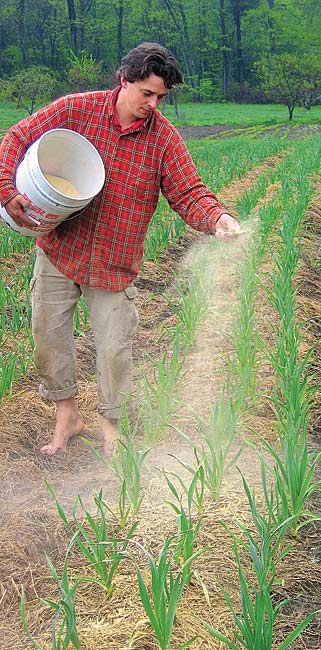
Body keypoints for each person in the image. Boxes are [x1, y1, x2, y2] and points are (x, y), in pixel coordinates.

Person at [0, 42, 239, 457]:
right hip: (60, 248)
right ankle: (67, 418)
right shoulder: (77, 110)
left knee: (114, 347)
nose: (153, 103)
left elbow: (189, 191)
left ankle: (112, 427)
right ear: (123, 80)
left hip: (114, 261)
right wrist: (6, 189)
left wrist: (217, 219)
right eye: (146, 93)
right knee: (48, 335)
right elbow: (18, 135)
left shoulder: (163, 139)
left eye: (161, 96)